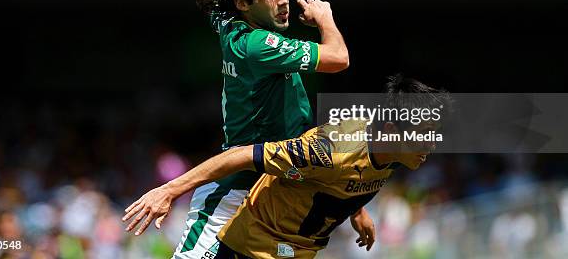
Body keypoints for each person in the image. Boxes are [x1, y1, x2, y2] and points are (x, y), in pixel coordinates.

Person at [162, 0, 363, 258]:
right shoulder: (259, 47)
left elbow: (218, 1)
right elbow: (339, 58)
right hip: (237, 193)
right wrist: (325, 19)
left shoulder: (229, 21)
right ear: (243, 3)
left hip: (276, 196)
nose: (283, 0)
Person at [123, 75, 451, 258]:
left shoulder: (391, 150)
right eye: (424, 135)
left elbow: (353, 174)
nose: (433, 143)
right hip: (253, 249)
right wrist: (169, 191)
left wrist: (356, 209)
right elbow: (238, 156)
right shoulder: (327, 152)